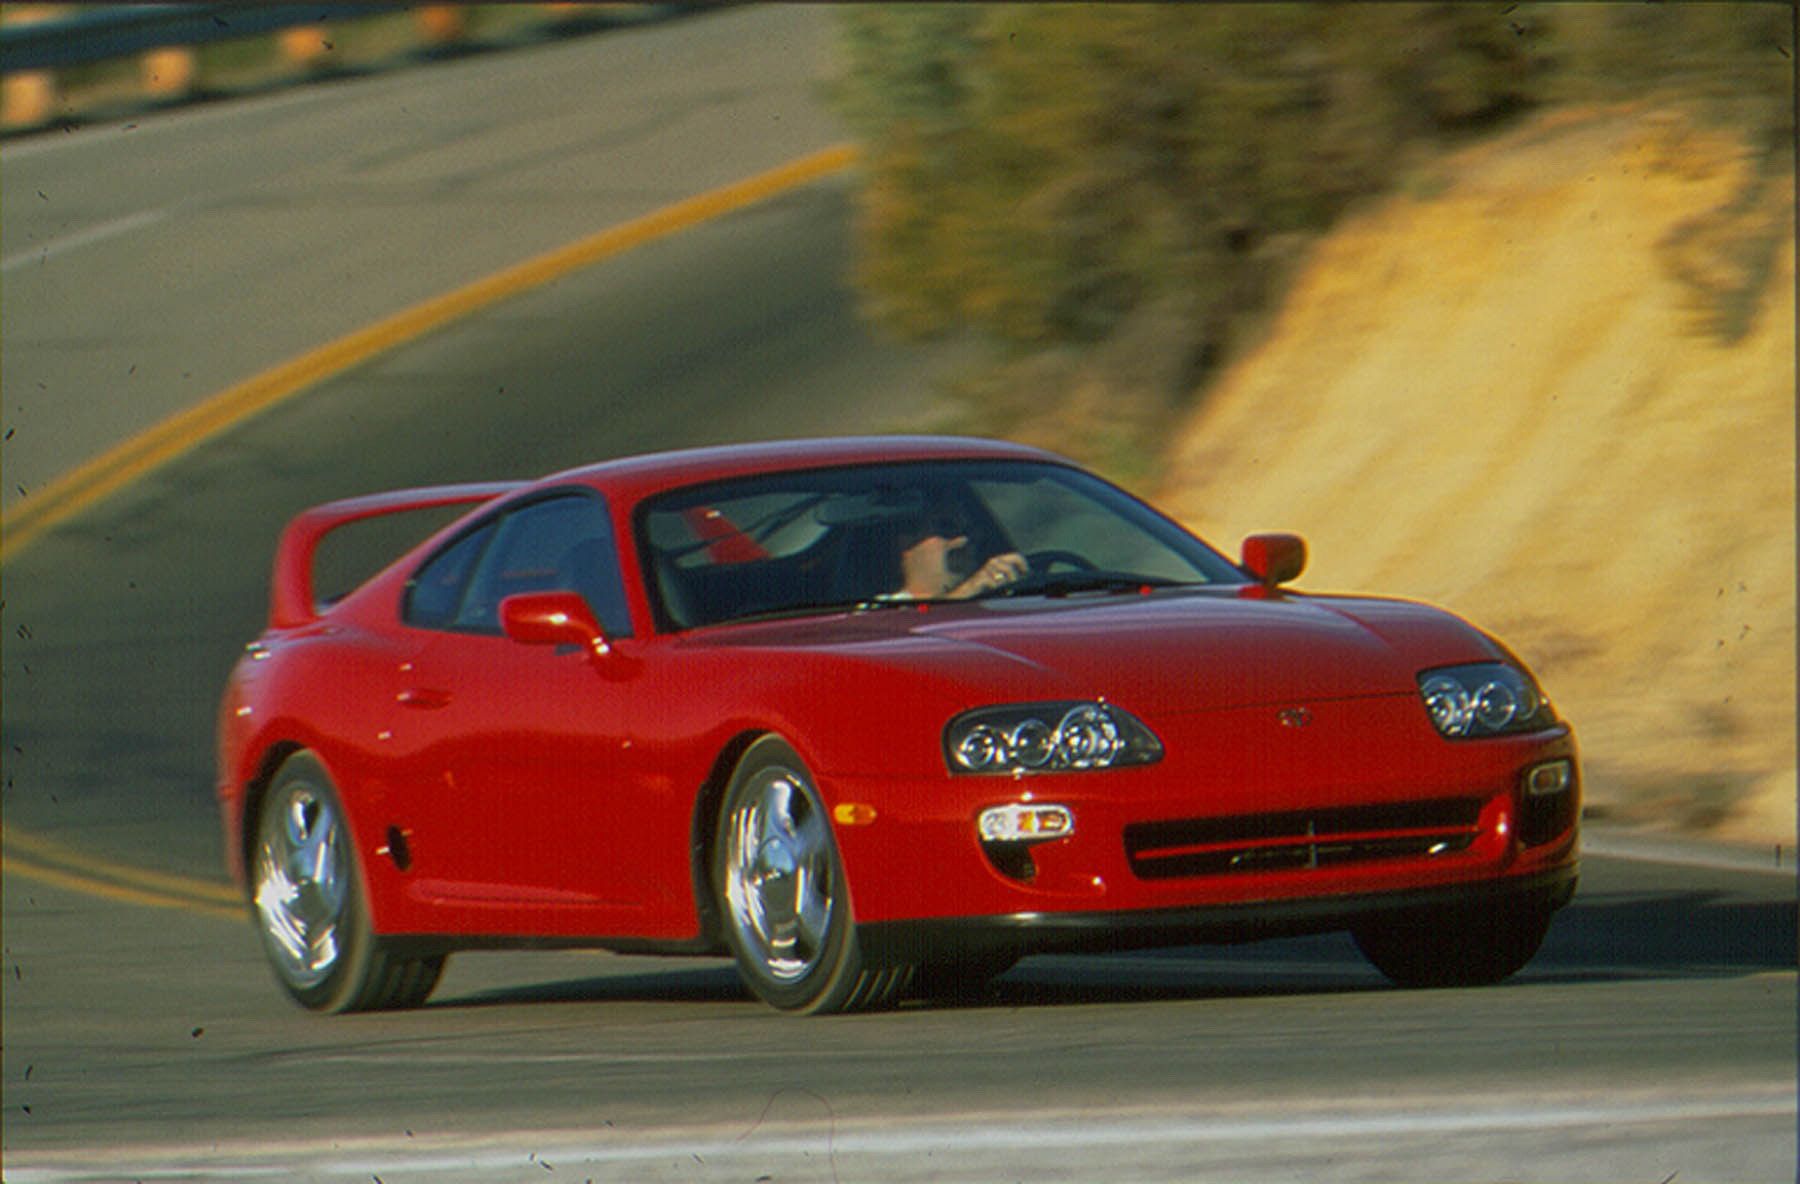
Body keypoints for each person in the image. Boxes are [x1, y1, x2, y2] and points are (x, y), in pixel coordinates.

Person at [896, 529, 1027, 599]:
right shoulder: (882, 610)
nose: (963, 540)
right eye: (947, 530)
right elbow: (914, 621)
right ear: (906, 545)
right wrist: (970, 588)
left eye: (968, 532)